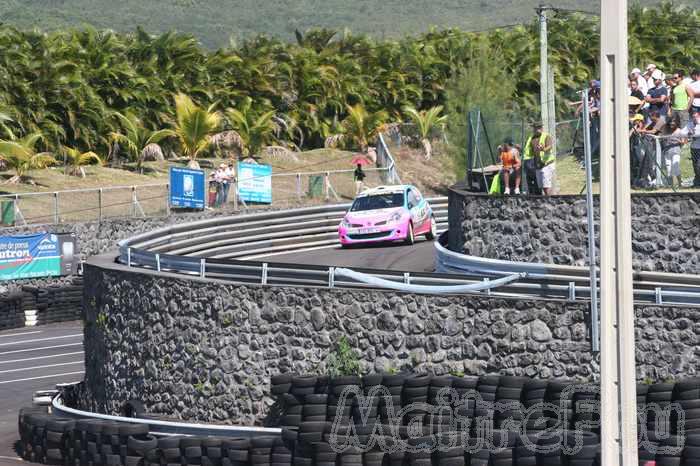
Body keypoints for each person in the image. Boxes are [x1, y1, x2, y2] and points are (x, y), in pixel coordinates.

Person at [524, 123, 555, 196]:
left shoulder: (546, 136)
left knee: (546, 185)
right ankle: (546, 200)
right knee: (541, 186)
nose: (537, 129)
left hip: (547, 164)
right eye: (536, 127)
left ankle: (550, 200)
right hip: (538, 165)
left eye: (539, 127)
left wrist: (543, 149)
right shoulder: (532, 138)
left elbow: (550, 146)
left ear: (542, 128)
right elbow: (529, 152)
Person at [661, 118, 685, 188]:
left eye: (673, 122)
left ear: (677, 123)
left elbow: (683, 142)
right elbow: (662, 137)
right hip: (667, 151)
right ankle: (671, 185)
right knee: (668, 169)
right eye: (671, 122)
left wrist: (677, 139)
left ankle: (680, 183)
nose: (672, 124)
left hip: (675, 150)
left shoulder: (679, 131)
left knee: (675, 167)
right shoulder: (666, 130)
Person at [680, 110, 700, 187]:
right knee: (695, 165)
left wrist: (694, 134)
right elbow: (682, 132)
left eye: (696, 116)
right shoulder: (690, 124)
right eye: (693, 117)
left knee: (699, 165)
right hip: (694, 148)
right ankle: (697, 181)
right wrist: (688, 133)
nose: (694, 118)